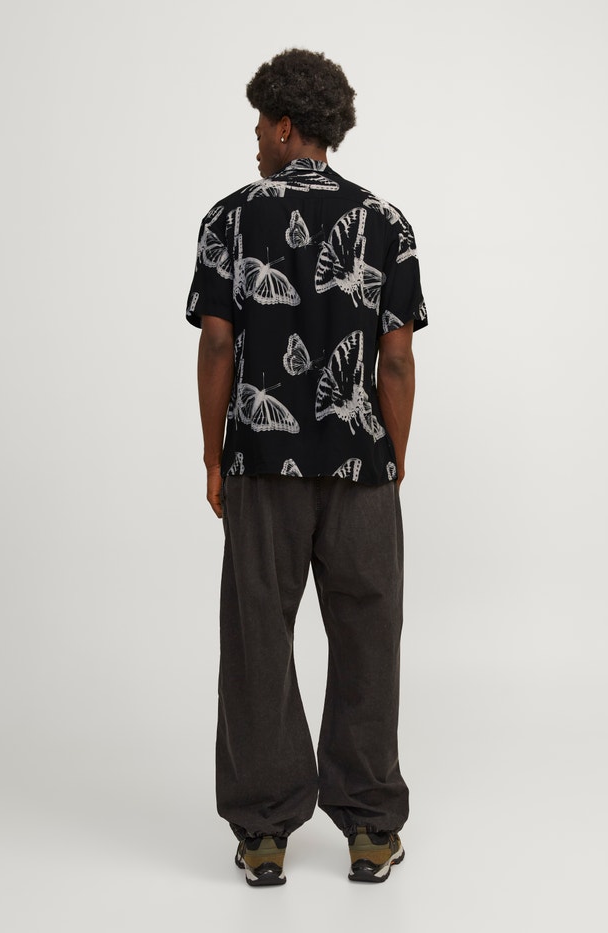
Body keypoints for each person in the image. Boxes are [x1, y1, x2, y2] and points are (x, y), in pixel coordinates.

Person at [185, 48, 427, 886]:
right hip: (361, 465)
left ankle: (262, 831)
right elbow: (396, 360)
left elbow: (218, 344)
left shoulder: (229, 219)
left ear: (286, 125)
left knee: (258, 635)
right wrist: (395, 455)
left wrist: (213, 455)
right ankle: (371, 826)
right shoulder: (387, 223)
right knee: (369, 633)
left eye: (260, 123)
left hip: (261, 463)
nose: (255, 138)